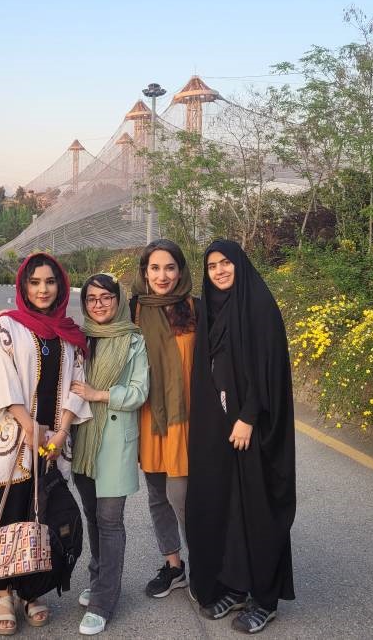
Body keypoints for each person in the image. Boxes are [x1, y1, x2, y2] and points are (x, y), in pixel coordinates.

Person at [0, 252, 91, 635]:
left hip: (52, 442)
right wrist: (30, 427)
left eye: (50, 282)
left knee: (42, 513)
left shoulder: (69, 333)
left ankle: (32, 589)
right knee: (7, 510)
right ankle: (3, 593)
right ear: (24, 286)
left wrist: (61, 432)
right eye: (35, 282)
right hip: (13, 440)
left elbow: (77, 383)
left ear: (61, 286)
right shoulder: (6, 327)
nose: (43, 289)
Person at [186, 239, 296, 634]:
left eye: (225, 263)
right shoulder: (212, 309)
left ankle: (264, 599)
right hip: (219, 428)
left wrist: (248, 416)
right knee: (227, 507)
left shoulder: (258, 306)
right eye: (211, 265)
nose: (219, 271)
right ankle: (234, 585)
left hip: (254, 427)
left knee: (257, 508)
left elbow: (269, 368)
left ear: (240, 264)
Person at [129, 239, 210, 599]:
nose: (162, 276)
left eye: (170, 268)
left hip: (186, 417)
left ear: (181, 271)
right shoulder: (133, 310)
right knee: (157, 495)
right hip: (148, 417)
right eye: (155, 268)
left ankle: (205, 566)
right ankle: (174, 566)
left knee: (182, 497)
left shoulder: (197, 309)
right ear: (144, 272)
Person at [70, 274, 149, 635]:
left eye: (106, 297)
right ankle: (99, 577)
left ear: (118, 301)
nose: (99, 304)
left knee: (110, 520)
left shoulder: (134, 340)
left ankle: (103, 601)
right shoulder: (79, 339)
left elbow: (139, 392)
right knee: (92, 516)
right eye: (92, 299)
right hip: (84, 440)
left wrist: (98, 394)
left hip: (115, 442)